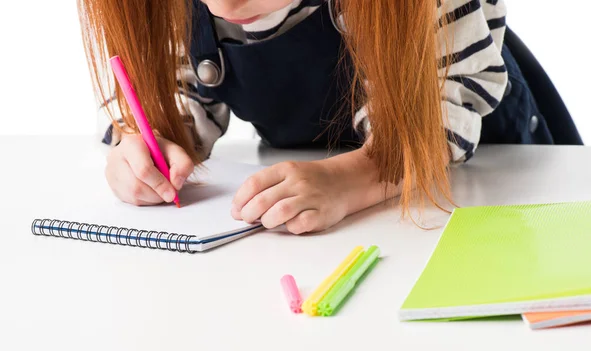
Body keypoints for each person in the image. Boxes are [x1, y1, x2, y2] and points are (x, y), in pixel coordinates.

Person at [80, 0, 528, 234]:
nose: (227, 7)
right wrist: (145, 144)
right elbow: (179, 90)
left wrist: (355, 177)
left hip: (488, 188)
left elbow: (441, 111)